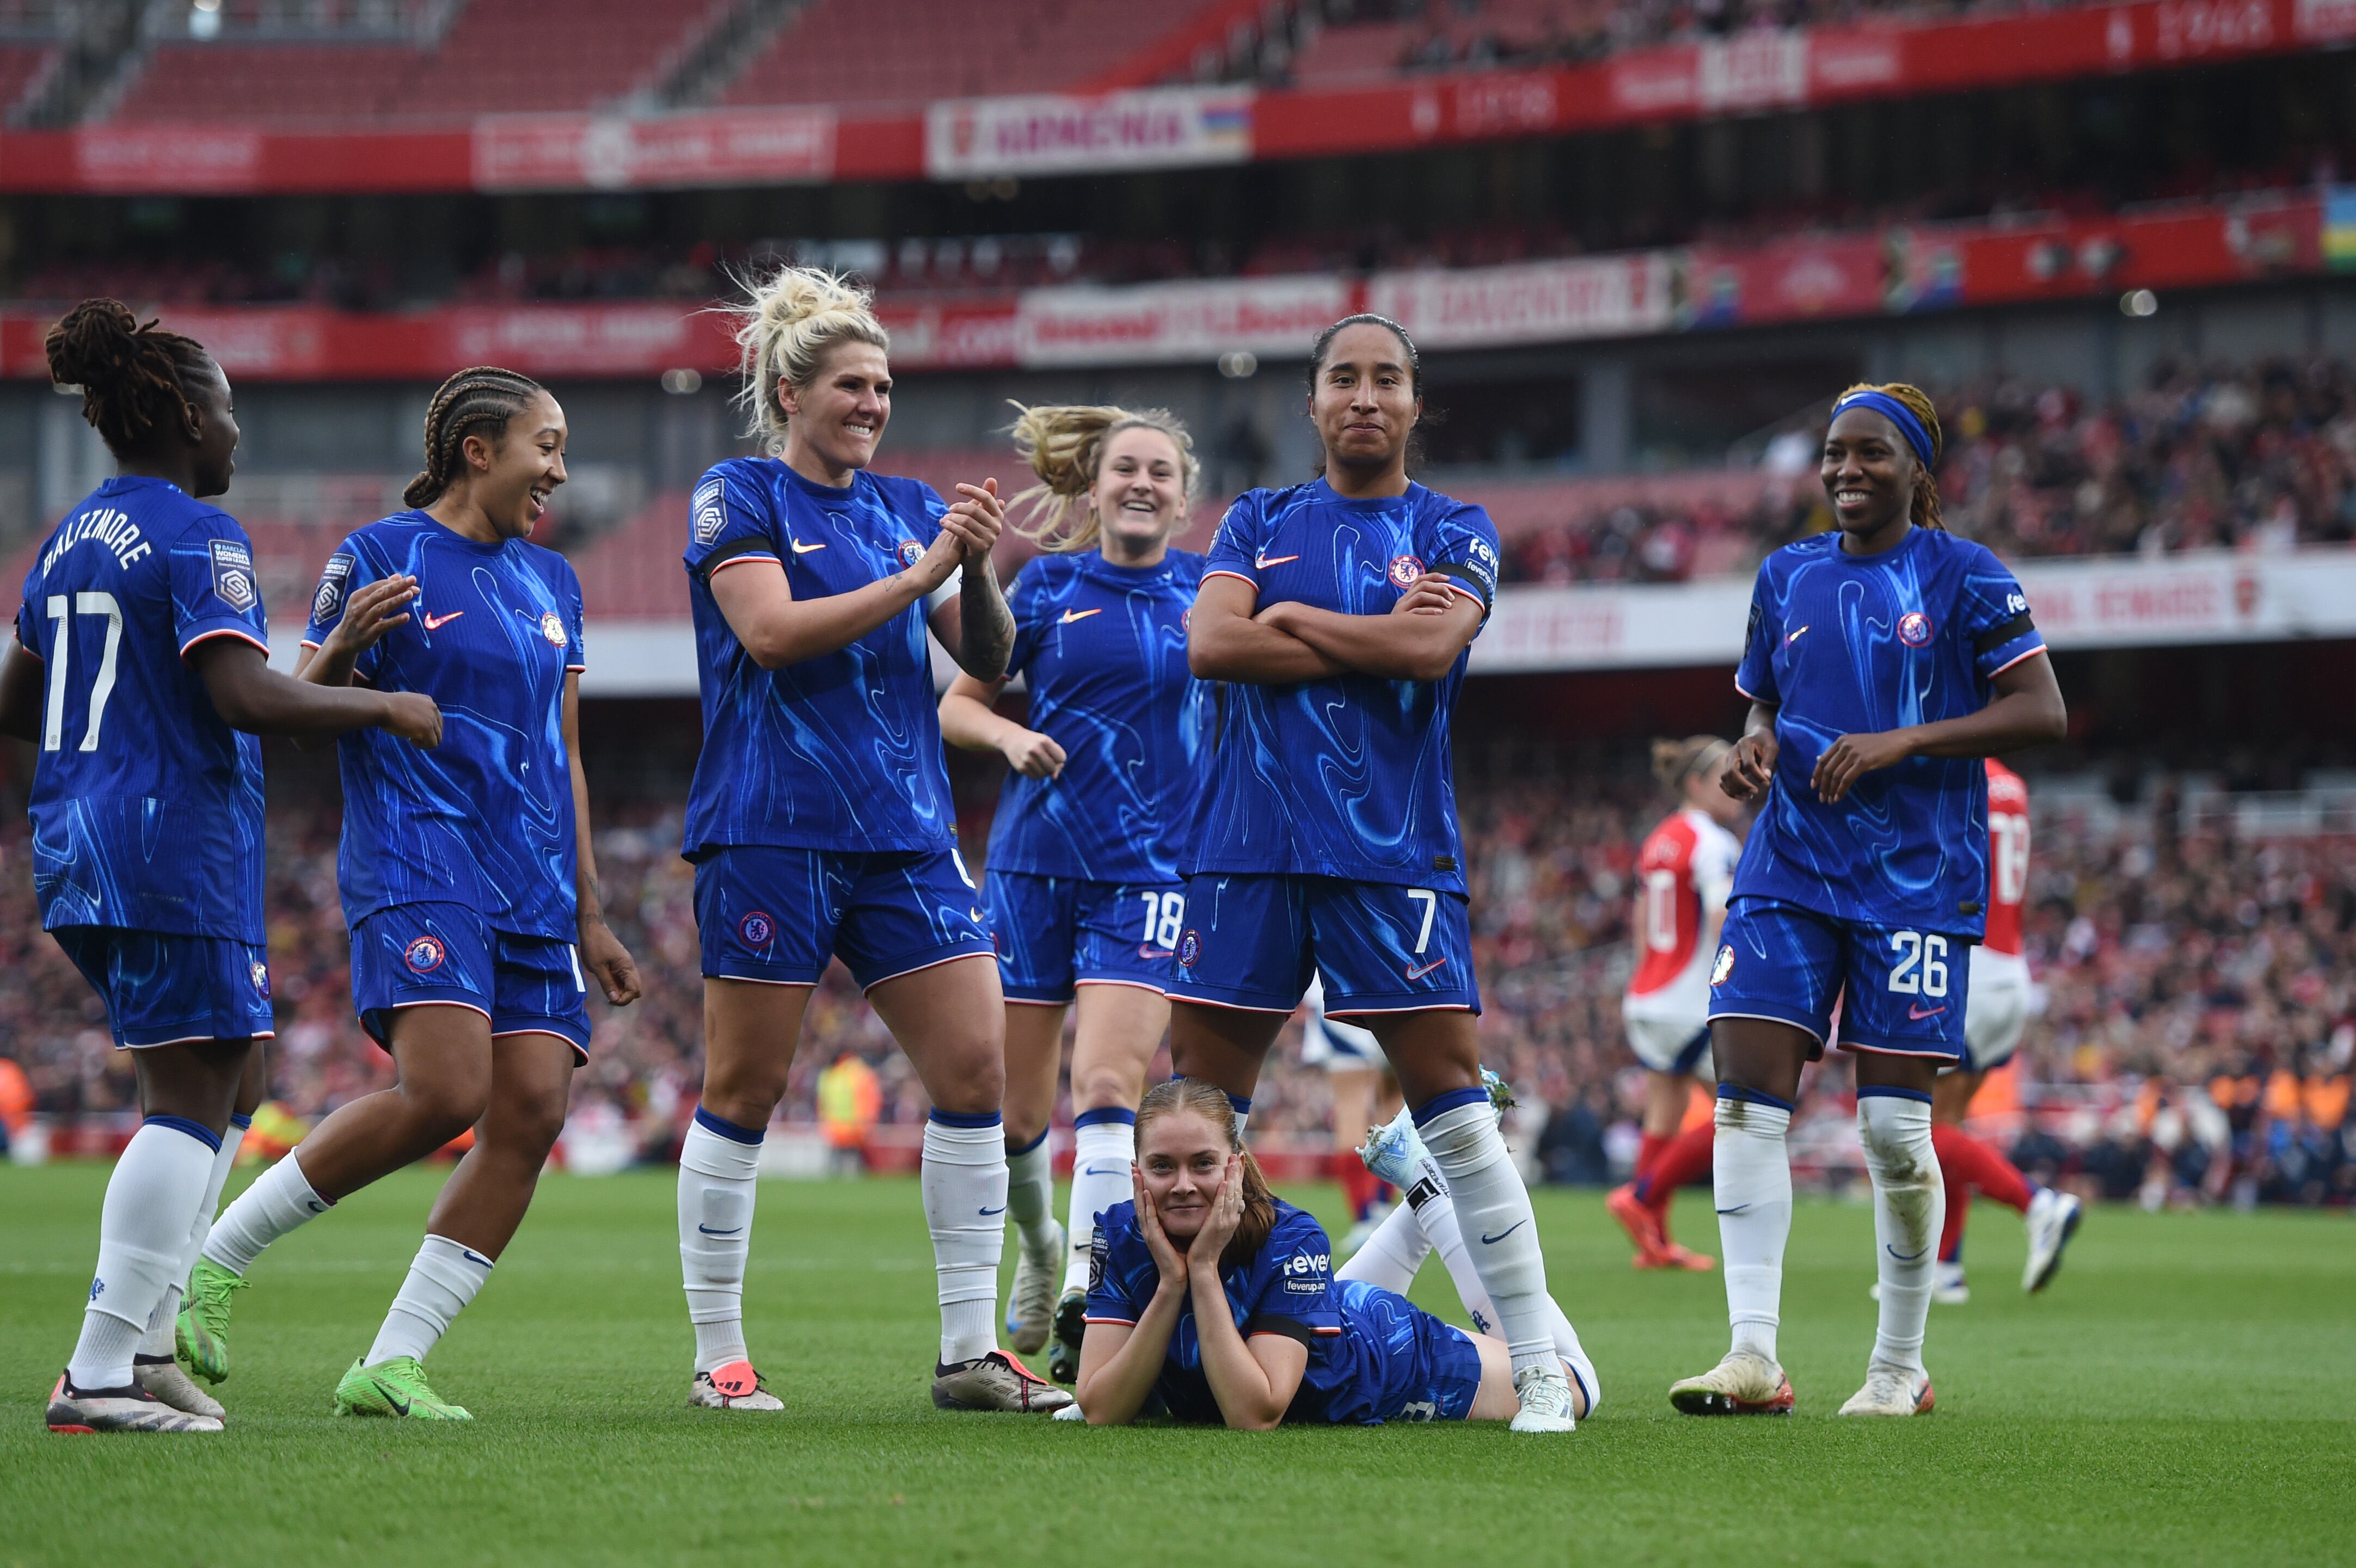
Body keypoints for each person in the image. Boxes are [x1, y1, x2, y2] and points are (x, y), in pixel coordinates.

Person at [3, 300, 440, 1434]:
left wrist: (322, 662)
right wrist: (379, 701)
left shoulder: (68, 537)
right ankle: (104, 1370)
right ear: (191, 416)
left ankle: (147, 1352)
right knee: (192, 1098)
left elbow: (16, 698)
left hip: (79, 834)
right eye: (234, 413)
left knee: (234, 1076)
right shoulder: (199, 536)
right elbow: (243, 696)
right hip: (169, 842)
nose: (240, 438)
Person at [181, 365, 642, 1423]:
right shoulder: (379, 556)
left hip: (531, 881)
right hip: (419, 854)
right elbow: (291, 707)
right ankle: (207, 1263)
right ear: (480, 451)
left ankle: (391, 1361)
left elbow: (561, 750)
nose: (559, 471)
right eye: (547, 446)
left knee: (531, 1110)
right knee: (446, 1092)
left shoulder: (553, 584)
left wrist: (591, 909)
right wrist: (349, 655)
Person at [1172, 312, 1578, 1432]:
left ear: (1413, 402)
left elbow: (1427, 650)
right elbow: (1211, 645)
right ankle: (1165, 1339)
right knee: (1197, 1115)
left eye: (1385, 378)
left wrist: (1290, 615)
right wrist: (1358, 626)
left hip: (1392, 855)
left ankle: (1536, 1360)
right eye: (1342, 377)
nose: (1364, 394)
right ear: (1311, 403)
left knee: (1456, 1111)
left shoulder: (1455, 525)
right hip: (1242, 849)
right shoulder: (1255, 516)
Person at [672, 266, 1065, 1416]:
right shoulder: (735, 493)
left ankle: (966, 1353)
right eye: (851, 383)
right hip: (768, 827)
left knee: (976, 1071)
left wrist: (975, 567)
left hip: (904, 831)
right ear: (789, 392)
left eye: (884, 385)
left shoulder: (904, 510)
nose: (872, 402)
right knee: (745, 1081)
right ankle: (719, 1356)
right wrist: (923, 570)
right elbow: (772, 634)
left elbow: (992, 663)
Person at [1671, 382, 2067, 1419]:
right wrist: (1757, 741)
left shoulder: (1965, 575)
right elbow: (1764, 695)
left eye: (1871, 454)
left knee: (1895, 1132)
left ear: (1917, 471)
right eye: (1834, 454)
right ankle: (1751, 1354)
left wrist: (1903, 741)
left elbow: (2041, 709)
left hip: (1914, 881)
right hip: (1788, 865)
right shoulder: (1785, 573)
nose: (1846, 470)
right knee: (1742, 1098)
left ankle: (1898, 1367)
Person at [937, 402, 1205, 1384]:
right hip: (1030, 869)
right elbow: (960, 702)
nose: (1140, 483)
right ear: (1091, 489)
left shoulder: (1210, 597)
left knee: (1105, 1088)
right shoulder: (1043, 586)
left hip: (1149, 875)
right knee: (1010, 1118)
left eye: (1159, 472)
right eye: (1123, 468)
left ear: (1183, 498)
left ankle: (1089, 1293)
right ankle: (1044, 1247)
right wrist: (1009, 737)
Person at [1072, 1078, 1596, 1429]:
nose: (1184, 1185)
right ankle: (1421, 1178)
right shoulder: (1118, 1232)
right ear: (1136, 1172)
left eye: (1203, 1164)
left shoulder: (1292, 1237)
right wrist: (1170, 1285)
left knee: (1578, 1380)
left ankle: (1431, 1185)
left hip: (1392, 1357)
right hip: (1323, 1319)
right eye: (1163, 1166)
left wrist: (1202, 1271)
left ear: (1235, 1164)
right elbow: (1099, 1406)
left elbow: (1254, 1413)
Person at [1907, 758, 2082, 1301]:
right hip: (2007, 967)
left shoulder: (1947, 769)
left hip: (1966, 968)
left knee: (1911, 1127)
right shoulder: (2011, 780)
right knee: (1946, 1124)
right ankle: (1946, 1268)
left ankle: (2036, 1204)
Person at [1605, 735, 1746, 1271]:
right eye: (1723, 777)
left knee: (1662, 1114)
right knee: (1744, 1110)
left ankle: (1654, 1242)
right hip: (1689, 1000)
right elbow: (1719, 918)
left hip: (1648, 995)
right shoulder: (1711, 841)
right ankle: (1640, 1196)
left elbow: (1643, 923)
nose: (1737, 788)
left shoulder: (1659, 838)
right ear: (1694, 783)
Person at [1295, 975, 1401, 1258]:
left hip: (1340, 987)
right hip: (1398, 983)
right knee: (1393, 1103)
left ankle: (1365, 1218)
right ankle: (1383, 1206)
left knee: (1351, 1108)